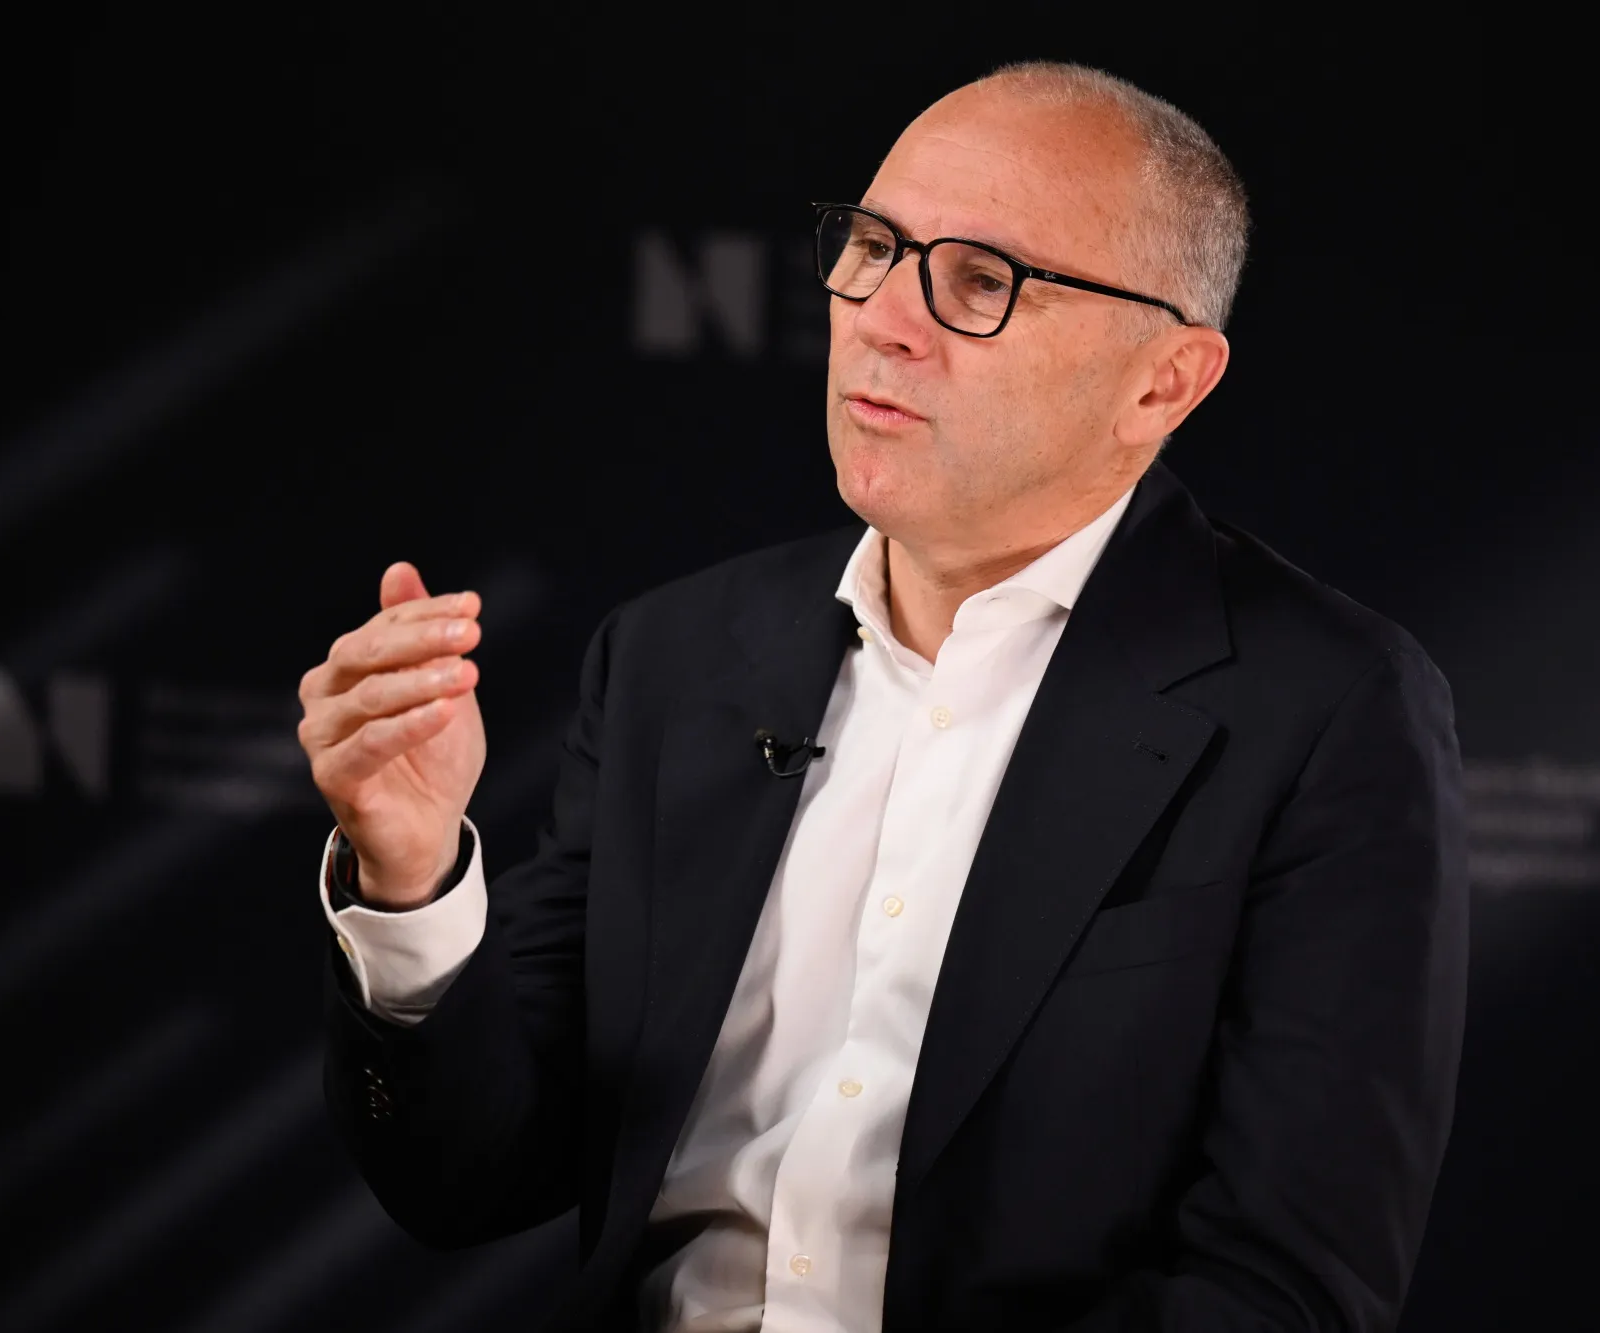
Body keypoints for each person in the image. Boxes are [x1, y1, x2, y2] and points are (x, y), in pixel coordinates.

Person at [297, 60, 1468, 1333]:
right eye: (870, 249)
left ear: (1162, 382)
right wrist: (411, 880)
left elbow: (1284, 1289)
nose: (882, 319)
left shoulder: (1324, 709)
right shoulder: (672, 658)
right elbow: (469, 1173)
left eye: (980, 281)